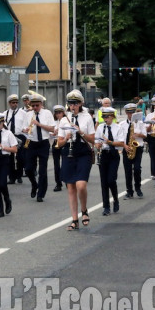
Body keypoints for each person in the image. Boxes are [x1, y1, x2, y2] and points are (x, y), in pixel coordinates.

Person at [58, 90, 95, 231]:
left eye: (75, 103)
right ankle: (74, 219)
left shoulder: (87, 118)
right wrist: (66, 138)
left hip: (83, 153)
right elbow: (59, 143)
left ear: (81, 104)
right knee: (71, 187)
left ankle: (84, 210)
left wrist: (81, 132)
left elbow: (92, 139)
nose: (72, 106)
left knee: (81, 185)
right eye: (70, 103)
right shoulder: (64, 119)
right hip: (68, 152)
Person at [22, 94, 55, 202]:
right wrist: (26, 130)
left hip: (43, 143)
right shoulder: (28, 114)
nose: (35, 107)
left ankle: (41, 193)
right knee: (28, 169)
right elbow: (23, 128)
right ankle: (34, 184)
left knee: (42, 170)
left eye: (37, 105)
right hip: (31, 143)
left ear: (41, 104)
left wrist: (39, 124)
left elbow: (51, 128)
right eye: (33, 105)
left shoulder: (47, 113)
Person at [95, 107, 121, 216]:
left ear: (112, 117)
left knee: (111, 180)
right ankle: (106, 206)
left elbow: (121, 143)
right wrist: (98, 145)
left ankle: (115, 199)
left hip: (114, 155)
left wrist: (110, 142)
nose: (106, 119)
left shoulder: (118, 127)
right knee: (104, 182)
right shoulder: (101, 128)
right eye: (104, 117)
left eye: (108, 117)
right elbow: (96, 142)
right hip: (104, 154)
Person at [117, 103, 147, 199]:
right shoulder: (121, 124)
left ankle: (138, 188)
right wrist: (124, 146)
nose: (131, 114)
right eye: (129, 113)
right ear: (126, 113)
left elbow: (145, 135)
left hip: (138, 148)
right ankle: (129, 191)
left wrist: (138, 135)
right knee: (128, 171)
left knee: (137, 169)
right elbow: (120, 138)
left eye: (132, 112)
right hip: (127, 148)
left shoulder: (140, 123)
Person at [3, 94, 26, 184]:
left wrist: (24, 129)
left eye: (16, 102)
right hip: (10, 136)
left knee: (20, 157)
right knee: (10, 158)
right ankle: (12, 177)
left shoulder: (23, 113)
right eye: (13, 103)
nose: (15, 104)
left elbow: (26, 124)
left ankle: (19, 175)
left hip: (19, 136)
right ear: (9, 103)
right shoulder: (5, 113)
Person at [51, 105, 66, 192]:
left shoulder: (66, 121)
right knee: (56, 164)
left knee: (65, 163)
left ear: (63, 113)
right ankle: (58, 183)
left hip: (64, 142)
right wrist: (53, 132)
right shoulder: (54, 122)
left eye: (60, 112)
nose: (58, 114)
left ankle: (68, 181)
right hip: (56, 142)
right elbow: (50, 132)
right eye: (56, 113)